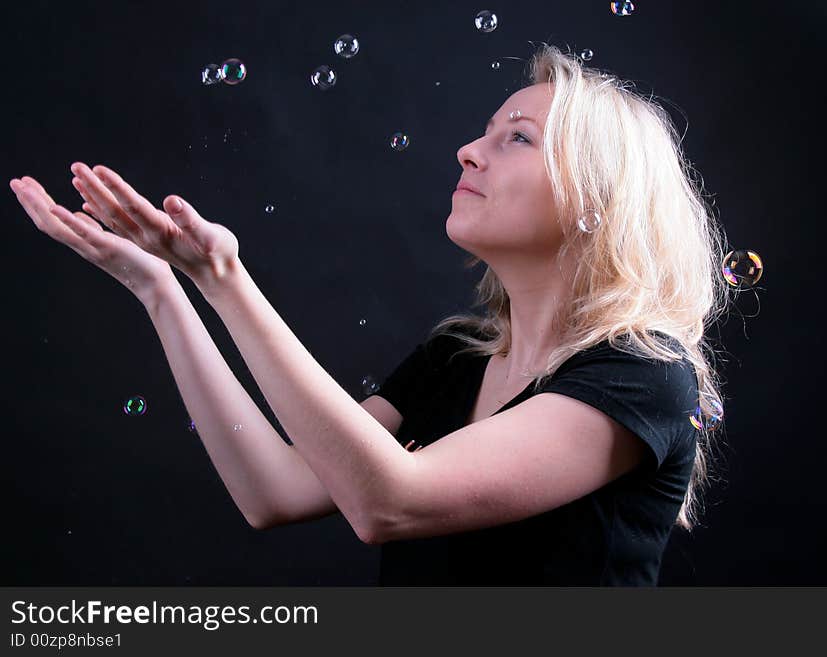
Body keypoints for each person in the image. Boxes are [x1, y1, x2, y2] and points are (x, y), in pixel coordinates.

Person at [9, 43, 730, 586]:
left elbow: (388, 498)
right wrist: (164, 291)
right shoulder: (456, 358)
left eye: (517, 137)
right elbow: (276, 489)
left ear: (596, 198)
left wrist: (224, 278)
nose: (469, 151)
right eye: (486, 130)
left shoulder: (644, 376)